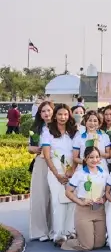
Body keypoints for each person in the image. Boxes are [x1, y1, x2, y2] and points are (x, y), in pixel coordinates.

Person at [41, 103, 79, 244]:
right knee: (58, 201)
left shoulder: (74, 131)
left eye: (65, 114)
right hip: (55, 169)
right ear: (55, 116)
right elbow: (46, 155)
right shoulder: (48, 131)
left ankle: (70, 231)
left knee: (71, 201)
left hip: (72, 170)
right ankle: (58, 234)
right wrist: (57, 174)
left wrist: (72, 169)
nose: (63, 117)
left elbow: (77, 152)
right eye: (60, 114)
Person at [61, 146, 108, 250]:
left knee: (99, 244)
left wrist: (104, 199)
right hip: (83, 211)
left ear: (100, 159)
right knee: (87, 246)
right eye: (91, 157)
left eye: (97, 157)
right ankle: (66, 242)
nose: (94, 160)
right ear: (85, 159)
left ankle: (82, 237)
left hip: (99, 210)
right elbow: (68, 191)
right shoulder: (79, 174)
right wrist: (80, 202)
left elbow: (108, 192)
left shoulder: (104, 174)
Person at [28, 100, 54, 241]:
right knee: (40, 197)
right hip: (41, 162)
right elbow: (29, 147)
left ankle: (54, 229)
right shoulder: (36, 128)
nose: (46, 113)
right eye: (43, 111)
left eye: (48, 110)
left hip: (56, 163)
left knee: (55, 197)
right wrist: (35, 149)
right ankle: (40, 231)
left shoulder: (59, 127)